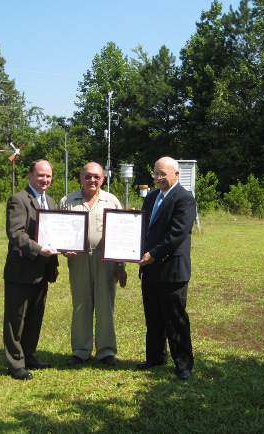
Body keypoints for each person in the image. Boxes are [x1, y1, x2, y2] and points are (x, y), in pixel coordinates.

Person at [58, 162, 127, 367]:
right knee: (81, 304)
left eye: (96, 177)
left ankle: (106, 351)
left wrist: (121, 265)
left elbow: (122, 235)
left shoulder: (111, 201)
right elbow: (58, 231)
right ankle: (81, 350)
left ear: (103, 179)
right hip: (78, 260)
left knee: (106, 305)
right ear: (80, 177)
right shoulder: (67, 201)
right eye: (88, 176)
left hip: (105, 260)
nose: (92, 180)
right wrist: (62, 248)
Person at [137, 156, 196, 380]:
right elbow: (144, 227)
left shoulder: (185, 199)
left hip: (172, 270)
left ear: (176, 174)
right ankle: (155, 358)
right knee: (153, 317)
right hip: (150, 269)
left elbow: (177, 234)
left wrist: (153, 254)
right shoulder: (152, 196)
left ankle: (183, 364)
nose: (159, 178)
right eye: (156, 173)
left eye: (163, 174)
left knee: (175, 319)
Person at [3, 159, 60, 380]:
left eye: (48, 176)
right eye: (41, 175)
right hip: (21, 269)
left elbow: (55, 233)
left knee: (35, 316)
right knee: (15, 318)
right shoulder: (18, 200)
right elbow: (16, 233)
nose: (45, 179)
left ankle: (28, 354)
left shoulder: (51, 201)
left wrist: (65, 247)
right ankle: (15, 363)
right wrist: (39, 249)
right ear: (30, 175)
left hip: (43, 270)